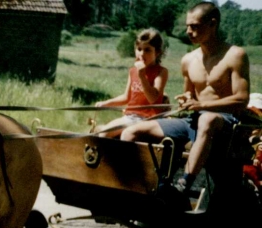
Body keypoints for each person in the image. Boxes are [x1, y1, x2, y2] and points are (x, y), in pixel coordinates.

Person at [121, 2, 251, 196]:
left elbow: (242, 99)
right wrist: (187, 98)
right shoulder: (188, 60)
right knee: (131, 132)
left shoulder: (235, 55)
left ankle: (183, 185)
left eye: (195, 26)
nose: (189, 31)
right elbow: (189, 95)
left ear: (212, 24)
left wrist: (202, 105)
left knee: (207, 118)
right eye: (188, 26)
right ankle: (137, 186)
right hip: (194, 121)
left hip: (225, 123)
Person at [95, 28, 169, 137]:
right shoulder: (133, 71)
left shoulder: (161, 72)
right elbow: (126, 97)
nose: (142, 54)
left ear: (157, 52)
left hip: (149, 119)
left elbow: (153, 98)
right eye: (139, 49)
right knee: (102, 133)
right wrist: (106, 103)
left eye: (147, 50)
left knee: (109, 134)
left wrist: (142, 76)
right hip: (130, 117)